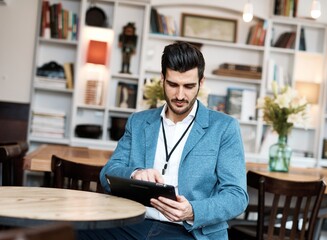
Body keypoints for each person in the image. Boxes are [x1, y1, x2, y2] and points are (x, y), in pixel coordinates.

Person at [80, 41, 248, 239]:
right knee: (68, 232)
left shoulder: (224, 127)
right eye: (173, 84)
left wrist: (192, 211)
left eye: (189, 86)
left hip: (189, 231)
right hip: (134, 221)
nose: (179, 95)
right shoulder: (138, 122)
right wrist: (135, 174)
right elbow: (107, 174)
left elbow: (237, 196)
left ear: (201, 83)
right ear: (162, 79)